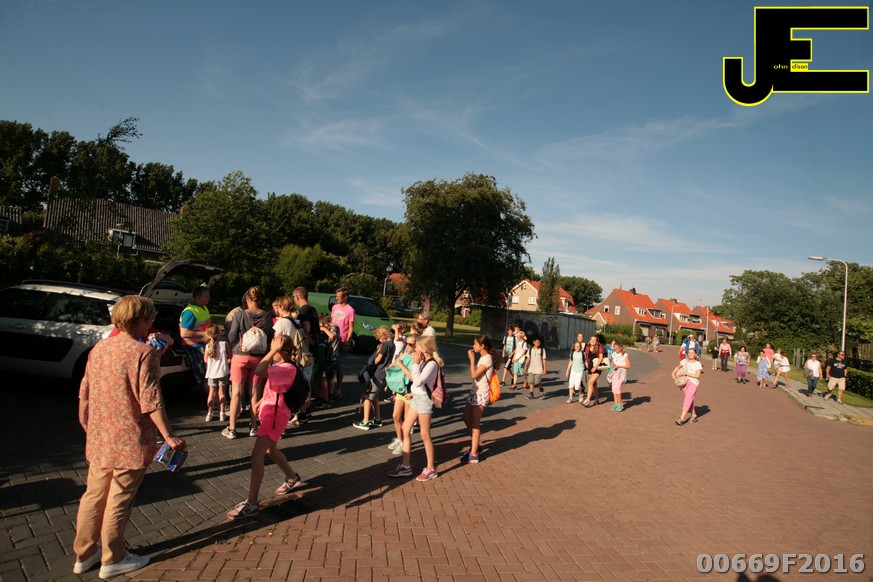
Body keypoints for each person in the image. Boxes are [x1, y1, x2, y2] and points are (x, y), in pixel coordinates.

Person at [72, 296, 186, 579]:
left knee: (93, 495)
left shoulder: (100, 348)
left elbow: (86, 387)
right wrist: (169, 435)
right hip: (129, 438)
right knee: (119, 499)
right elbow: (151, 401)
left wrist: (83, 414)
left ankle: (84, 554)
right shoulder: (142, 353)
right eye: (150, 319)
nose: (151, 324)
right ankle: (114, 558)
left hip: (100, 434)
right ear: (141, 320)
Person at [226, 335, 303, 520]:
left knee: (257, 454)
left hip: (275, 417)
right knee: (270, 450)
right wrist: (261, 401)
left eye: (273, 347)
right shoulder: (281, 367)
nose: (270, 350)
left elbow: (259, 371)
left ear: (281, 351)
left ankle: (252, 503)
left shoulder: (287, 367)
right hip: (272, 413)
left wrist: (273, 350)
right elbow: (275, 389)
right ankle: (292, 477)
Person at [387, 335, 442, 481]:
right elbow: (417, 381)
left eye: (417, 346)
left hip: (424, 401)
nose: (414, 348)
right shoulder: (423, 361)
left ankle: (431, 468)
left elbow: (418, 381)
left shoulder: (431, 364)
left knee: (425, 434)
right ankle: (405, 466)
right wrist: (413, 392)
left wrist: (415, 364)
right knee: (405, 429)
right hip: (417, 398)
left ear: (424, 349)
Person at [224, 286, 273, 439]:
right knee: (255, 393)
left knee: (236, 393)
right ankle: (253, 426)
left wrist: (236, 348)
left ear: (247, 299)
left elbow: (232, 336)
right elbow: (270, 336)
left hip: (240, 357)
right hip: (258, 358)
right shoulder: (267, 316)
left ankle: (232, 428)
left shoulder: (240, 315)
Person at [461, 335, 500, 464]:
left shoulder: (487, 359)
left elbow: (474, 375)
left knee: (475, 422)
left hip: (481, 393)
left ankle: (474, 453)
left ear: (482, 346)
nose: (473, 346)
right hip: (474, 391)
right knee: (466, 417)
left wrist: (472, 360)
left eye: (475, 344)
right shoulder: (483, 357)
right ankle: (475, 444)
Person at [353, 325, 394, 430]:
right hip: (384, 374)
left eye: (378, 337)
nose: (378, 339)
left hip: (378, 374)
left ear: (383, 335)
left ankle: (365, 421)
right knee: (375, 397)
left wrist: (372, 362)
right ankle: (377, 419)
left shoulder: (384, 345)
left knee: (368, 397)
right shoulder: (392, 344)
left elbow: (378, 359)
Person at [385, 332, 416, 455]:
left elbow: (413, 377)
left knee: (407, 420)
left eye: (411, 344)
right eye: (406, 343)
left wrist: (401, 364)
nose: (407, 346)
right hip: (400, 389)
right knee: (396, 416)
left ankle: (405, 443)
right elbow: (396, 364)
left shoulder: (417, 358)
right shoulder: (404, 354)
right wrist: (391, 366)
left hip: (410, 391)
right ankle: (399, 439)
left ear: (417, 345)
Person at [179, 286, 212, 390]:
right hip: (194, 346)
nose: (209, 298)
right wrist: (205, 335)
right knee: (204, 375)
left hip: (203, 344)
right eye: (206, 296)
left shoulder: (204, 308)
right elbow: (184, 333)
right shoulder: (190, 311)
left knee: (209, 373)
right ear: (198, 297)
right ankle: (211, 399)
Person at [331, 287, 355, 397]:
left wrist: (348, 342)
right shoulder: (335, 307)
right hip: (333, 339)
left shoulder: (350, 310)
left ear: (345, 297)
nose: (337, 298)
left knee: (339, 365)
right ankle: (330, 387)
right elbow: (332, 321)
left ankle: (338, 387)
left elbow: (351, 327)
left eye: (339, 297)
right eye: (336, 296)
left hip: (342, 340)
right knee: (330, 363)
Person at [203, 325, 229, 422]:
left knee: (211, 393)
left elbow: (205, 360)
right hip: (222, 372)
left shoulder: (207, 346)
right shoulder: (224, 344)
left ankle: (210, 413)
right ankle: (222, 413)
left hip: (211, 373)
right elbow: (230, 357)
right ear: (219, 334)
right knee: (222, 392)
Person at [672, 348, 702, 425]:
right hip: (685, 382)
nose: (690, 354)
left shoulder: (697, 364)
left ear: (695, 354)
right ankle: (694, 415)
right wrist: (673, 373)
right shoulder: (684, 361)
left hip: (693, 383)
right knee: (690, 399)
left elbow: (697, 375)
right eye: (689, 353)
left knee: (688, 399)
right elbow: (678, 367)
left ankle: (681, 418)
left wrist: (686, 373)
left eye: (692, 353)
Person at [582, 335, 605, 407]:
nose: (592, 341)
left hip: (597, 367)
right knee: (594, 384)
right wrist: (586, 362)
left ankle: (588, 400)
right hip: (590, 367)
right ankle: (597, 399)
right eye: (591, 339)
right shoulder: (587, 347)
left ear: (597, 341)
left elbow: (601, 358)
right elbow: (586, 356)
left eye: (594, 340)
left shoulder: (599, 347)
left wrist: (595, 367)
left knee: (590, 382)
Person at [608, 341, 630, 412]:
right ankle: (616, 403)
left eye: (617, 349)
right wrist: (613, 364)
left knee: (617, 388)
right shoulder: (614, 354)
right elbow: (613, 362)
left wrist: (619, 366)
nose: (615, 350)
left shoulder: (624, 355)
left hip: (622, 372)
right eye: (614, 349)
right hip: (615, 372)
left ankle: (620, 404)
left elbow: (628, 366)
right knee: (613, 388)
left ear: (621, 348)